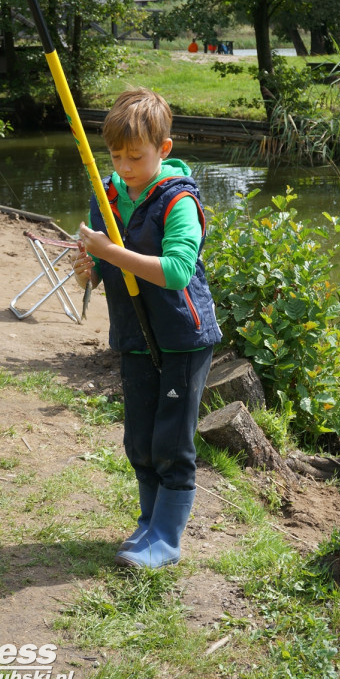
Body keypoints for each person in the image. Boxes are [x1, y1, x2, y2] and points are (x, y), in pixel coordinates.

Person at [73, 88, 221, 569]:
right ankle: (149, 519)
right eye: (116, 156)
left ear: (164, 149)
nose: (125, 167)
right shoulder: (109, 195)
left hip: (181, 338)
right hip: (135, 338)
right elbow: (102, 269)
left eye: (136, 156)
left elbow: (177, 270)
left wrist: (110, 251)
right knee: (138, 437)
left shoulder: (179, 202)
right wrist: (90, 269)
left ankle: (168, 538)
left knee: (171, 441)